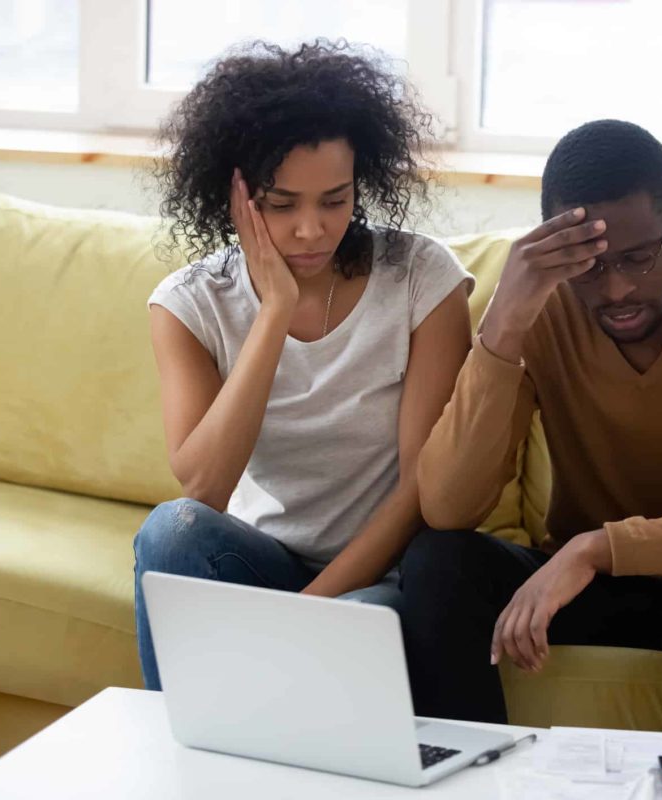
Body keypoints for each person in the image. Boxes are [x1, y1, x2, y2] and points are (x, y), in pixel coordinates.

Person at [398, 119, 662, 749]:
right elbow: (447, 506)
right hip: (583, 596)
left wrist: (596, 548)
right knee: (437, 561)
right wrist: (505, 323)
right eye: (589, 267)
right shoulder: (541, 315)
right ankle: (475, 787)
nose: (617, 289)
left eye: (638, 258)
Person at [133, 40, 472, 690]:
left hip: (378, 575)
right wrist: (273, 314)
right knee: (169, 534)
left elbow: (421, 487)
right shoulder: (188, 304)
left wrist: (305, 613)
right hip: (258, 558)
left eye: (334, 200)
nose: (312, 230)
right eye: (281, 205)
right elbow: (201, 486)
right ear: (231, 194)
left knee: (368, 620)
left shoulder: (421, 281)